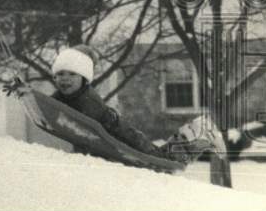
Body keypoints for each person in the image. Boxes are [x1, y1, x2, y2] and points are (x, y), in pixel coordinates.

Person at [48, 45, 218, 163]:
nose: (65, 79)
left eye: (72, 74)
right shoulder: (63, 95)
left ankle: (200, 136)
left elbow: (88, 132)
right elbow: (49, 105)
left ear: (84, 78)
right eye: (60, 74)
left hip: (123, 135)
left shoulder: (88, 99)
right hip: (115, 136)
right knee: (160, 154)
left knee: (161, 159)